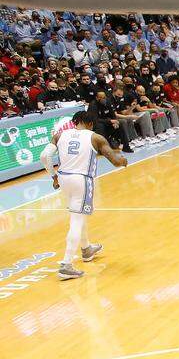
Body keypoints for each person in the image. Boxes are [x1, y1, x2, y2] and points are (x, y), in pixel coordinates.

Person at [39, 110, 126, 280]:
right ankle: (66, 264)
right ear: (91, 124)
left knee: (78, 213)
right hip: (81, 180)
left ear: (74, 122)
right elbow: (115, 161)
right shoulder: (95, 138)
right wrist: (123, 161)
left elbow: (44, 155)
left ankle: (86, 249)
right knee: (76, 219)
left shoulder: (59, 135)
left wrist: (53, 175)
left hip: (63, 178)